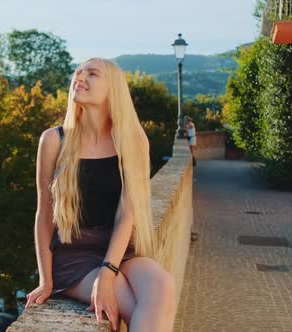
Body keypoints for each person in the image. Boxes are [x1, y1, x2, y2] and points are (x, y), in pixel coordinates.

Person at [25, 58, 177, 331]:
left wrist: (107, 273)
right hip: (75, 254)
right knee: (126, 302)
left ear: (113, 90)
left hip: (121, 249)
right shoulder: (53, 140)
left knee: (163, 285)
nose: (80, 77)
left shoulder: (133, 140)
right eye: (78, 72)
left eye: (92, 74)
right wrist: (45, 280)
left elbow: (126, 214)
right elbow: (44, 214)